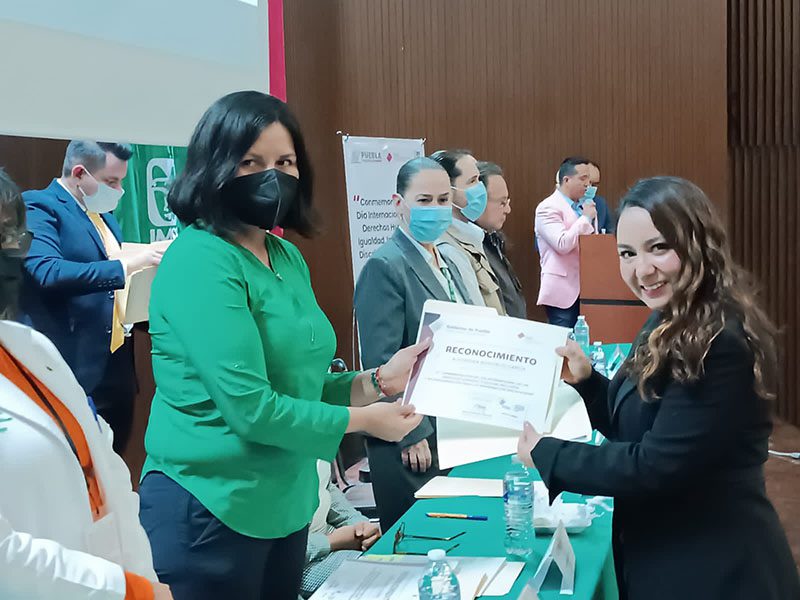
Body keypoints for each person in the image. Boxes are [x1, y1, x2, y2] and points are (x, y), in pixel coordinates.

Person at [138, 91, 427, 600]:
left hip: (286, 503)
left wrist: (379, 381)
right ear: (214, 166)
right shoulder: (200, 259)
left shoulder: (285, 255)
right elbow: (252, 408)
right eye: (251, 162)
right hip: (211, 505)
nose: (271, 176)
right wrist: (367, 420)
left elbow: (302, 383)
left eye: (285, 162)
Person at [518, 176, 800, 600]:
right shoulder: (671, 317)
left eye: (659, 247)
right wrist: (588, 381)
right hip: (668, 553)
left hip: (716, 569)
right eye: (627, 253)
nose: (642, 269)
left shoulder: (719, 341)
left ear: (698, 242)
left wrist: (549, 454)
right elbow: (641, 423)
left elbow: (656, 464)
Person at [0, 167, 171, 599]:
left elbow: (108, 473)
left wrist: (142, 578)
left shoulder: (31, 349)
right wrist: (127, 589)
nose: (10, 251)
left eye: (11, 236)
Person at [19, 141, 165, 452]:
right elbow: (46, 271)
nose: (119, 190)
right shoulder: (40, 205)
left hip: (116, 360)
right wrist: (128, 265)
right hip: (68, 361)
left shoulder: (104, 217)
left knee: (114, 457)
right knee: (70, 460)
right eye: (111, 181)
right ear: (79, 173)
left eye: (121, 181)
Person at [354, 157, 472, 529]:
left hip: (451, 427)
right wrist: (411, 433)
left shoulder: (445, 260)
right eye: (424, 200)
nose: (435, 209)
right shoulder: (385, 266)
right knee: (419, 540)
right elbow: (381, 361)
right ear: (398, 204)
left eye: (442, 200)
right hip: (411, 436)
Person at [430, 149, 505, 314]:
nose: (480, 188)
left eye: (479, 179)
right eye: (472, 181)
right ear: (447, 191)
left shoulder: (472, 236)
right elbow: (476, 314)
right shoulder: (449, 248)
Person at [299, 461, 381, 598]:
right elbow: (274, 552)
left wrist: (359, 526)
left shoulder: (316, 451)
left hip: (335, 542)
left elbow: (325, 486)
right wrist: (332, 541)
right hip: (299, 567)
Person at [534, 156, 595, 328]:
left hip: (587, 288)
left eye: (589, 180)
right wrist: (585, 218)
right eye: (583, 179)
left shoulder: (583, 206)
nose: (587, 184)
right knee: (563, 339)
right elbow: (562, 244)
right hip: (563, 291)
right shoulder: (547, 207)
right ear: (566, 180)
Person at [475, 161, 527, 319]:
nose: (508, 210)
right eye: (502, 203)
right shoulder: (470, 247)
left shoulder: (492, 238)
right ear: (477, 200)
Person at [587, 161, 615, 234]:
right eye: (589, 182)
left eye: (594, 185)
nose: (591, 187)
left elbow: (611, 232)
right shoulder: (564, 204)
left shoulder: (600, 204)